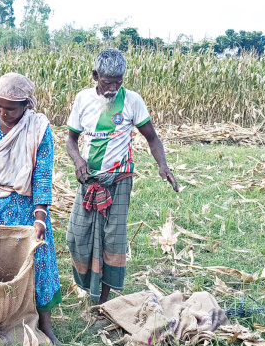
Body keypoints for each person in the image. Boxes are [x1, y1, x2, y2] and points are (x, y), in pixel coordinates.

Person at [65, 49, 180, 304]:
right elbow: (71, 140)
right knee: (75, 237)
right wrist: (78, 160)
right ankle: (87, 286)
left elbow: (152, 137)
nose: (113, 88)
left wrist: (163, 165)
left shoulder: (132, 100)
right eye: (107, 82)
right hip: (89, 181)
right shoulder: (83, 99)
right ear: (95, 76)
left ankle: (103, 300)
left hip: (118, 180)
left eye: (119, 82)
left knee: (112, 241)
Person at [0, 72, 63, 346]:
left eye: (10, 108)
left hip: (26, 206)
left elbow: (42, 175)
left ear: (26, 106)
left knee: (39, 259)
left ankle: (44, 324)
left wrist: (40, 217)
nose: (3, 113)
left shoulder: (39, 130)